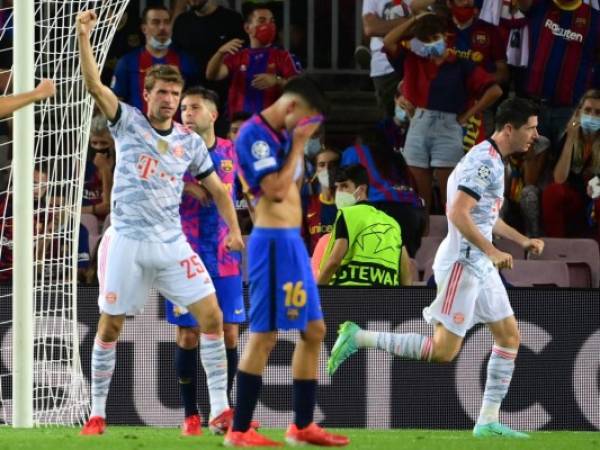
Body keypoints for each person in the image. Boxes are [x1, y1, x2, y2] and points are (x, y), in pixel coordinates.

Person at [328, 97, 545, 438]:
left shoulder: (494, 161)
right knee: (443, 352)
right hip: (463, 262)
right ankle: (358, 336)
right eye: (531, 128)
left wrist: (521, 240)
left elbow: (485, 217)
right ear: (509, 129)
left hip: (479, 264)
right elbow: (457, 212)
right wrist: (490, 251)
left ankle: (487, 420)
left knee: (509, 336)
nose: (535, 134)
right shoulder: (483, 163)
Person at [76, 10, 243, 435]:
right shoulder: (126, 121)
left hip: (172, 243)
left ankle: (220, 409)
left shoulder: (188, 142)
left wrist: (236, 229)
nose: (169, 99)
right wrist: (83, 35)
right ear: (147, 94)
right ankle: (97, 413)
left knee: (213, 317)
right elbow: (95, 85)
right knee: (111, 326)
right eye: (162, 92)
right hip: (128, 240)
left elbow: (220, 190)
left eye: (175, 92)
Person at [225, 76, 349, 447]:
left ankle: (302, 425)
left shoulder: (279, 135)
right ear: (293, 107)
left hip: (291, 244)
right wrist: (297, 146)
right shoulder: (254, 136)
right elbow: (276, 193)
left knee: (314, 331)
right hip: (273, 244)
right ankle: (240, 430)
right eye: (308, 122)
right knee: (265, 334)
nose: (309, 132)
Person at [164, 86, 246, 435]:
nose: (186, 113)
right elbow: (149, 183)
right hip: (185, 255)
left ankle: (222, 409)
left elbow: (251, 192)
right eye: (183, 108)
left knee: (229, 333)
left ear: (213, 115)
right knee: (188, 336)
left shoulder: (232, 152)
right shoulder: (170, 149)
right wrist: (184, 187)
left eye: (194, 107)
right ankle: (190, 414)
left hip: (225, 257)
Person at [383, 12, 503, 212]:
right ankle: (421, 239)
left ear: (445, 36)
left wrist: (467, 115)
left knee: (452, 197)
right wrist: (415, 19)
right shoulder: (415, 59)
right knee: (419, 199)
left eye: (433, 38)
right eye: (425, 41)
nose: (430, 44)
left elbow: (495, 90)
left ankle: (455, 239)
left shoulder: (461, 63)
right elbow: (388, 42)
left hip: (448, 128)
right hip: (418, 124)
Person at [317, 164, 411, 287]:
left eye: (344, 186)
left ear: (361, 189)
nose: (339, 192)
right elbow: (406, 275)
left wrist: (316, 294)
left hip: (348, 299)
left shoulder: (347, 214)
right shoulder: (393, 223)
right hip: (386, 301)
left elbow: (334, 262)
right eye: (337, 188)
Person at [341, 126, 426, 257]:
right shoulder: (397, 157)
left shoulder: (354, 152)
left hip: (381, 209)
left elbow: (343, 180)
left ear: (359, 141)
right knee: (404, 267)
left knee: (379, 265)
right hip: (413, 215)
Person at [205, 4, 301, 119]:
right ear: (247, 28)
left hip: (271, 125)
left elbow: (299, 88)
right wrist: (220, 53)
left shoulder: (284, 57)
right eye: (262, 21)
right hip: (239, 126)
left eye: (272, 21)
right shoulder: (236, 56)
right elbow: (212, 75)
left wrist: (277, 80)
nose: (268, 25)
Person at [172, 0, 246, 135]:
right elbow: (173, 59)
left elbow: (243, 59)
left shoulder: (232, 20)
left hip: (224, 104)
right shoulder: (182, 22)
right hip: (190, 100)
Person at [111, 4, 198, 114]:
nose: (162, 27)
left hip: (175, 129)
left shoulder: (186, 60)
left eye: (166, 22)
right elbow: (117, 102)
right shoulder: (127, 62)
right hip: (137, 129)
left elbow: (195, 98)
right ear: (144, 28)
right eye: (156, 22)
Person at [542, 89, 600, 240]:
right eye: (588, 110)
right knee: (553, 192)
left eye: (598, 112)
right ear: (579, 112)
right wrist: (570, 139)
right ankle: (557, 248)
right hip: (575, 200)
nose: (592, 116)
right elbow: (559, 179)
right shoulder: (569, 136)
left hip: (596, 200)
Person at [362, 0, 412, 119]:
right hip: (384, 67)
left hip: (417, 61)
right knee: (392, 125)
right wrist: (409, 22)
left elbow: (427, 23)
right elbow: (371, 27)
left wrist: (385, 25)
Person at [303, 147, 340, 254]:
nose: (327, 169)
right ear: (316, 170)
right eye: (322, 165)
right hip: (314, 267)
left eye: (332, 165)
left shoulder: (350, 205)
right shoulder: (307, 204)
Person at [81, 114, 115, 230]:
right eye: (94, 143)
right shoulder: (82, 164)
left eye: (104, 143)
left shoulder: (121, 166)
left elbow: (107, 207)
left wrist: (105, 170)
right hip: (86, 223)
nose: (99, 148)